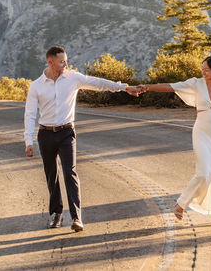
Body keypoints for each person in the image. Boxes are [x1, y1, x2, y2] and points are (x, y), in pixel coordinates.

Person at [24, 45, 142, 232]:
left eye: (66, 60)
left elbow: (98, 83)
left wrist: (124, 88)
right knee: (51, 175)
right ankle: (56, 214)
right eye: (62, 61)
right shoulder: (36, 85)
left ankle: (76, 217)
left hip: (66, 132)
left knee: (70, 172)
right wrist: (28, 141)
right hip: (45, 134)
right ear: (50, 62)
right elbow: (30, 114)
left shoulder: (73, 78)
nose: (65, 64)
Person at [139, 55, 211, 225]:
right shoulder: (196, 83)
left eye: (206, 69)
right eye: (202, 69)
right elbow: (171, 87)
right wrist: (148, 87)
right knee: (204, 173)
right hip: (201, 132)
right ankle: (181, 204)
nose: (203, 72)